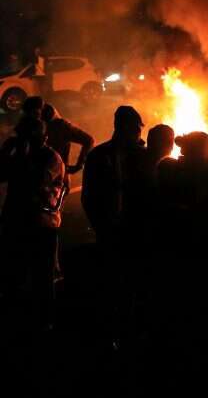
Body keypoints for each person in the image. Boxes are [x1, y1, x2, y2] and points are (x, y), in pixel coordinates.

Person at [151, 132, 208, 359]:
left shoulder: (166, 171)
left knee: (179, 309)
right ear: (205, 150)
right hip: (207, 252)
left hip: (174, 251)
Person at [81, 105, 148, 349]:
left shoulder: (141, 156)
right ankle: (112, 336)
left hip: (135, 231)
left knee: (133, 285)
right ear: (125, 127)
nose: (138, 134)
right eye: (136, 128)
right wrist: (102, 225)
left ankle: (129, 334)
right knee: (114, 284)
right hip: (113, 232)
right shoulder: (101, 156)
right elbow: (89, 197)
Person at [0, 116, 66, 334]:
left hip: (42, 224)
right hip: (17, 221)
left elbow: (35, 182)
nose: (25, 140)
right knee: (14, 273)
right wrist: (6, 151)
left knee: (43, 276)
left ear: (43, 138)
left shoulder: (51, 158)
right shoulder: (20, 155)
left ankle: (45, 323)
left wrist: (20, 154)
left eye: (30, 137)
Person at [41, 103, 94, 173]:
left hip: (56, 178)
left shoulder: (60, 126)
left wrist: (79, 165)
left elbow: (89, 140)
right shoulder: (31, 125)